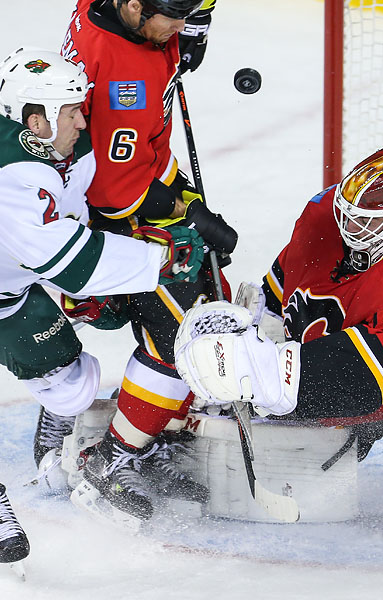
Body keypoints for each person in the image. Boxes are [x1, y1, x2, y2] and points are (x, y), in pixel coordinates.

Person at [0, 48, 206, 568]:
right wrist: (162, 262)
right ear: (36, 120)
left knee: (74, 387)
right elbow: (70, 262)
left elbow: (71, 223)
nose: (84, 119)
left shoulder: (63, 148)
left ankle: (56, 426)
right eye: (73, 112)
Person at [176, 144, 383, 519]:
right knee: (291, 450)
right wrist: (254, 325)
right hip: (349, 356)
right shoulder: (323, 215)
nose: (349, 229)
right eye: (346, 217)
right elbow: (287, 281)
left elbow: (364, 380)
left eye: (365, 223)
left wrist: (267, 375)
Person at [59, 0, 237, 522]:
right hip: (105, 215)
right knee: (187, 329)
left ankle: (140, 424)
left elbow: (145, 152)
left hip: (112, 185)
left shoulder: (106, 11)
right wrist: (191, 211)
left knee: (199, 299)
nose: (181, 29)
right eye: (175, 19)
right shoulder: (125, 73)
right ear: (135, 6)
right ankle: (110, 459)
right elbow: (118, 193)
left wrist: (189, 31)